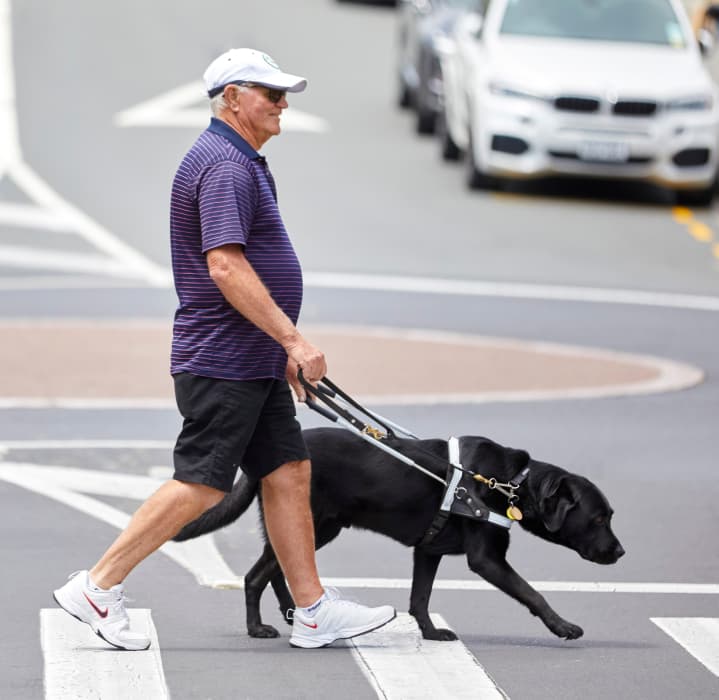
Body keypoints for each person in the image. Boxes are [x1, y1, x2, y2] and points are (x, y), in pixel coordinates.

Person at [53, 48, 396, 651]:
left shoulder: (240, 159)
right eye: (272, 93)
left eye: (285, 94)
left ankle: (312, 610)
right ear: (233, 97)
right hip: (224, 359)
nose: (284, 104)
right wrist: (292, 337)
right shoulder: (225, 166)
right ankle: (97, 587)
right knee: (204, 483)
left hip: (250, 359)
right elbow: (225, 266)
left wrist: (279, 348)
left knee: (288, 471)